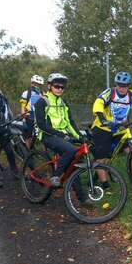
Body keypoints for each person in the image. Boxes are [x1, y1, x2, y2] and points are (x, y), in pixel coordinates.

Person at [34, 73, 90, 204]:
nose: (59, 89)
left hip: (63, 135)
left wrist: (80, 137)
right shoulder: (42, 101)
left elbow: (70, 122)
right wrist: (60, 135)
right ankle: (55, 176)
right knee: (71, 151)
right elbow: (41, 124)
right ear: (49, 86)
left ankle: (82, 198)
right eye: (56, 86)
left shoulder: (63, 103)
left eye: (62, 87)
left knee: (74, 162)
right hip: (47, 135)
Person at [91, 71, 132, 188]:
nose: (122, 88)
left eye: (125, 86)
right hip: (103, 128)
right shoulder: (109, 93)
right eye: (119, 85)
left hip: (119, 129)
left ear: (129, 86)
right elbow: (98, 103)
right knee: (102, 157)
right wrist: (102, 118)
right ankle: (105, 185)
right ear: (116, 84)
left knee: (130, 151)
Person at [19, 74, 44, 148]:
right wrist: (23, 113)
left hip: (39, 117)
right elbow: (23, 104)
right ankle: (28, 151)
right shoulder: (26, 93)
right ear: (32, 83)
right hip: (29, 116)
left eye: (39, 84)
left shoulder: (42, 93)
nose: (37, 86)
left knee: (41, 135)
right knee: (28, 135)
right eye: (35, 84)